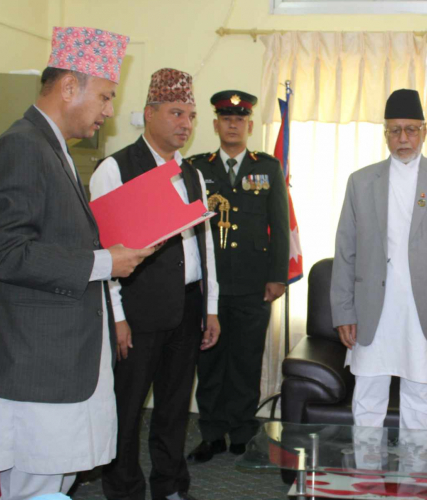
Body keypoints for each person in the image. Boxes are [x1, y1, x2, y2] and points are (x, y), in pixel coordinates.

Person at [0, 26, 154, 500]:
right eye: (107, 97)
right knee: (34, 488)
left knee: (57, 483)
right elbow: (6, 254)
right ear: (70, 86)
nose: (110, 111)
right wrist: (102, 263)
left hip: (63, 363)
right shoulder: (20, 147)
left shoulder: (56, 151)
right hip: (36, 367)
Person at [91, 68, 221, 500]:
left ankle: (170, 485)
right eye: (175, 112)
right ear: (149, 114)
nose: (185, 123)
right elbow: (104, 250)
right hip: (138, 312)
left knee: (173, 407)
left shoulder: (192, 174)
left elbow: (205, 248)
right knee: (127, 411)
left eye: (191, 115)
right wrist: (117, 317)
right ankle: (124, 489)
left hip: (186, 308)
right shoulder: (116, 169)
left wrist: (210, 308)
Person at [330, 88, 427, 431]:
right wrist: (344, 311)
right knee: (367, 399)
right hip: (371, 307)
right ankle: (365, 482)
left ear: (424, 132)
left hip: (424, 309)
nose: (403, 138)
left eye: (411, 129)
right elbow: (345, 251)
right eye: (395, 130)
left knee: (421, 401)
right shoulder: (361, 182)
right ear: (385, 134)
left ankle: (416, 483)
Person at [185, 90, 289, 463]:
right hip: (207, 287)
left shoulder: (268, 168)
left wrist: (277, 277)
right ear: (214, 125)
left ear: (249, 125)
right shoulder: (196, 167)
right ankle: (211, 432)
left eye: (240, 118)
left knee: (245, 361)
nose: (233, 124)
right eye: (226, 118)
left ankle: (243, 430)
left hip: (252, 285)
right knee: (209, 363)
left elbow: (279, 226)